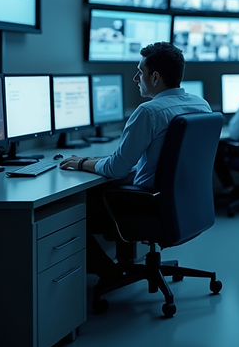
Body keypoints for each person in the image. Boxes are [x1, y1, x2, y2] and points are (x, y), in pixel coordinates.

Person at [58, 42, 211, 276]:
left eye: (140, 71)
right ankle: (121, 263)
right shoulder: (201, 105)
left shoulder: (148, 112)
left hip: (150, 203)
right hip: (184, 202)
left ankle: (108, 272)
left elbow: (117, 168)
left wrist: (81, 162)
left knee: (75, 207)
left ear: (156, 77)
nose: (136, 78)